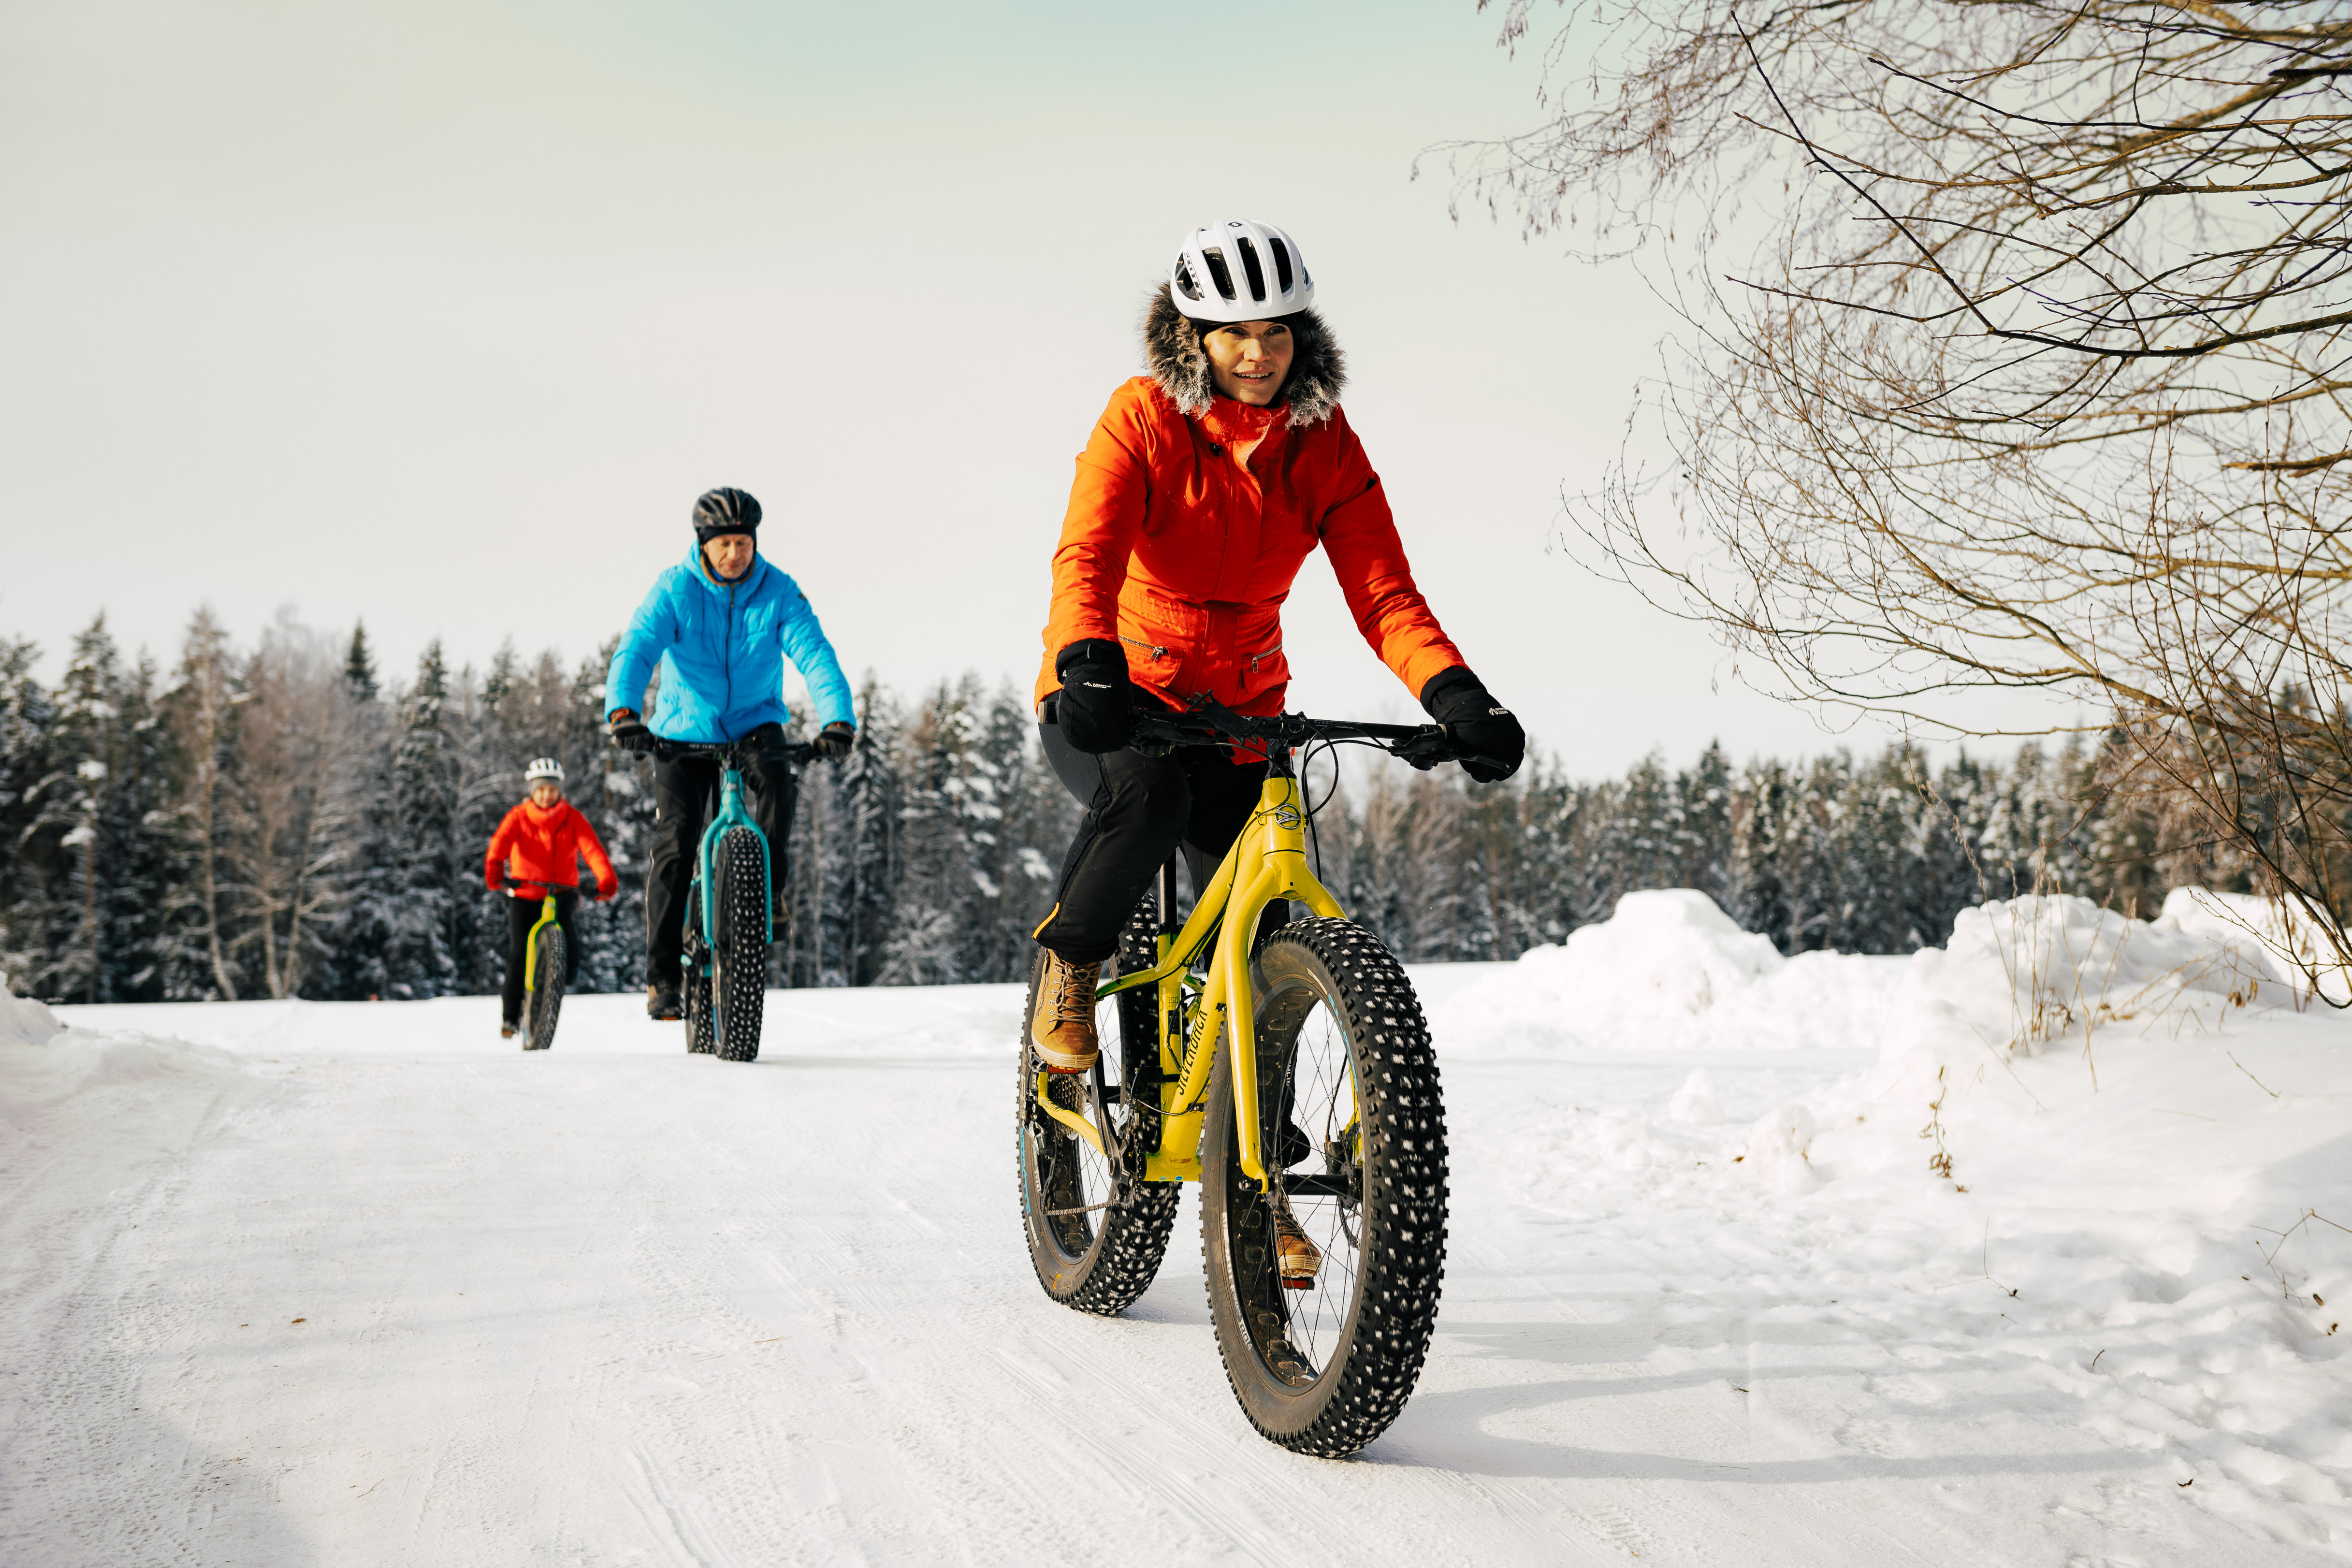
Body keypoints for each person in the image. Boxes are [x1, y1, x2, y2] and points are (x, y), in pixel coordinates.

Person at [1029, 219, 1527, 1281]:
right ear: (1193, 336)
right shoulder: (1142, 419)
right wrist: (1086, 657)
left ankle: (1252, 1183)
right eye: (1233, 335)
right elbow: (1088, 551)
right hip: (1114, 698)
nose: (1258, 355)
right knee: (1150, 801)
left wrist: (1456, 692)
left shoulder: (1326, 443)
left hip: (1245, 709)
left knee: (1263, 936)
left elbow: (1382, 589)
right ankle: (1074, 963)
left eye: (1277, 333)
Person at [606, 487, 857, 1021]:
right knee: (674, 844)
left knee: (778, 787)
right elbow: (638, 645)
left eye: (743, 543)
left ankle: (769, 891)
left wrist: (837, 719)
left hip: (753, 724)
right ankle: (662, 978)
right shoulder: (675, 588)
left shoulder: (778, 591)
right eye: (724, 545)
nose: (735, 555)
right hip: (682, 730)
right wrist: (624, 712)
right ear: (704, 545)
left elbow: (814, 652)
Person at [484, 757, 618, 1038]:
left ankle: (552, 988)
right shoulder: (518, 817)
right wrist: (496, 871)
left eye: (553, 790)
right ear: (532, 790)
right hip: (525, 893)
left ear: (560, 791)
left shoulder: (572, 818)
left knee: (570, 949)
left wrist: (606, 880)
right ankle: (510, 1018)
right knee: (518, 954)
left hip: (562, 892)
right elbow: (499, 844)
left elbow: (592, 849)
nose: (547, 795)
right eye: (542, 789)